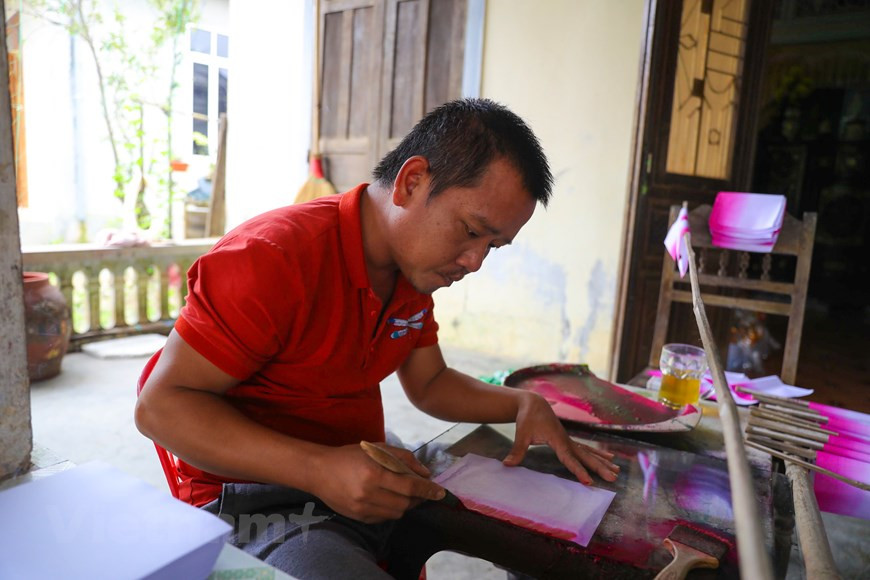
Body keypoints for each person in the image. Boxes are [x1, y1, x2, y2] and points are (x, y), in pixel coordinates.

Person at [135, 98, 619, 578]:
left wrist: (518, 405)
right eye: (471, 231)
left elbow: (430, 384)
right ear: (412, 182)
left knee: (561, 511)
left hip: (361, 457)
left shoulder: (412, 273)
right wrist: (318, 469)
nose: (475, 263)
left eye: (492, 247)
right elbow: (160, 406)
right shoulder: (272, 258)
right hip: (257, 496)